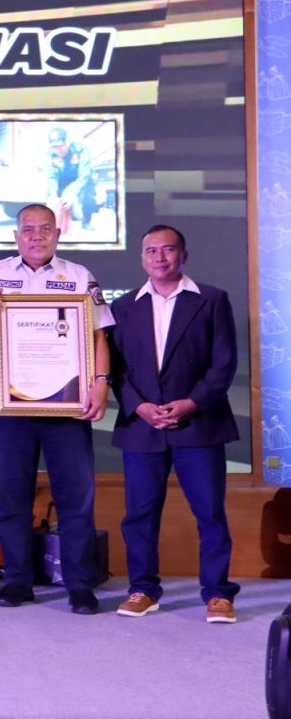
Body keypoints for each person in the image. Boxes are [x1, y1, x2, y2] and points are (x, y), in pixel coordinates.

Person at [0, 203, 113, 614]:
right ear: (16, 235)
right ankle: (17, 580)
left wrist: (101, 384)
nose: (36, 236)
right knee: (10, 495)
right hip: (12, 406)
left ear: (57, 235)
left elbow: (99, 336)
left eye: (45, 228)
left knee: (75, 496)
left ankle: (79, 584)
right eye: (28, 229)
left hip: (67, 405)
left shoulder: (78, 276)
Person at [107, 224, 241, 623]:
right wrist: (139, 406)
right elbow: (115, 369)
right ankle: (143, 589)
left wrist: (191, 403)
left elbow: (224, 363)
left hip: (199, 424)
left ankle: (218, 594)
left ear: (183, 255)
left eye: (168, 250)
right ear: (142, 258)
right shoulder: (122, 306)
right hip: (142, 426)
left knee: (210, 513)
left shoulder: (212, 300)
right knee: (139, 515)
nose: (159, 257)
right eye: (151, 251)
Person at [46, 127, 97, 232]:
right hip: (63, 180)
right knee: (53, 198)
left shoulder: (80, 149)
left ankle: (86, 221)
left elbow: (84, 175)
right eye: (54, 147)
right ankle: (56, 225)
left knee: (88, 195)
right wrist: (53, 194)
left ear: (67, 142)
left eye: (60, 146)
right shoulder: (50, 154)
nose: (58, 150)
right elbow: (51, 177)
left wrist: (71, 192)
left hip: (80, 178)